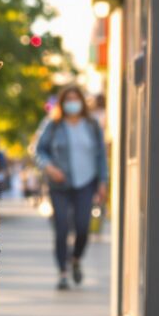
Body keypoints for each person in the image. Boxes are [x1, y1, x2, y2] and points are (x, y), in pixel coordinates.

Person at [35, 84, 108, 290]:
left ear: (82, 102)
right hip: (60, 184)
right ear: (62, 103)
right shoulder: (53, 124)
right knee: (61, 228)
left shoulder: (92, 125)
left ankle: (75, 259)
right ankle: (63, 273)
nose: (72, 103)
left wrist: (103, 182)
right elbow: (39, 150)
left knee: (83, 227)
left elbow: (101, 155)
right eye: (68, 100)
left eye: (76, 99)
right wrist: (49, 168)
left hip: (86, 183)